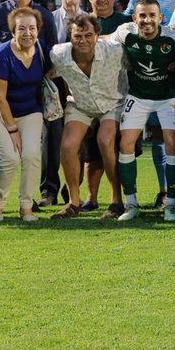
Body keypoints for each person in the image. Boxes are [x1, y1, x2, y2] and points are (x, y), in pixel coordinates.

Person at [113, 0, 175, 222]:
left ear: (161, 18)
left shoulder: (174, 36)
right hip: (139, 96)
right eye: (142, 15)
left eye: (152, 15)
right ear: (135, 18)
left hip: (168, 97)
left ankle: (170, 205)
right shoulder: (125, 33)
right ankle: (131, 204)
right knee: (125, 143)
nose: (147, 20)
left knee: (172, 144)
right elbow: (103, 42)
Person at [49, 12, 125, 219]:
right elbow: (49, 72)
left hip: (113, 103)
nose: (83, 40)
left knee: (105, 139)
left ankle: (116, 201)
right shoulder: (58, 54)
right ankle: (73, 202)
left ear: (97, 35)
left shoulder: (115, 50)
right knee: (68, 144)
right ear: (70, 37)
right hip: (81, 104)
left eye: (88, 35)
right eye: (78, 36)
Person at [0, 8, 48, 223]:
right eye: (22, 28)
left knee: (31, 155)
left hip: (29, 110)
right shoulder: (1, 54)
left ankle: (26, 207)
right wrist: (13, 130)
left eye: (32, 28)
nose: (28, 33)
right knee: (10, 157)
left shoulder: (42, 49)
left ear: (38, 30)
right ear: (13, 31)